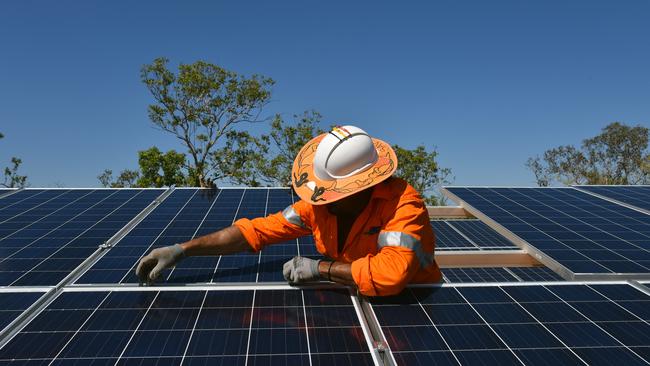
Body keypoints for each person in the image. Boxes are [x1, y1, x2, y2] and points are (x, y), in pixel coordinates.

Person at [136, 125, 441, 296]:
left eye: (335, 193)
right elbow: (254, 231)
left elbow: (392, 276)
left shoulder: (402, 205)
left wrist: (321, 269)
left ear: (362, 187)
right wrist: (183, 249)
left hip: (413, 300)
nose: (324, 200)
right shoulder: (318, 206)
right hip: (350, 295)